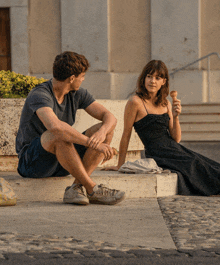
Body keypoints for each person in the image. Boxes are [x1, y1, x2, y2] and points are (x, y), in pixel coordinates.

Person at [16, 51, 125, 205]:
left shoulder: (77, 94)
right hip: (33, 163)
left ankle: (76, 188)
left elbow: (110, 117)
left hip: (63, 160)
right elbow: (55, 127)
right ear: (72, 78)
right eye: (82, 76)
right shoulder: (40, 94)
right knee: (58, 134)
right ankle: (92, 189)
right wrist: (93, 144)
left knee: (105, 129)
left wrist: (101, 134)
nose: (83, 79)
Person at [104, 60, 220, 196]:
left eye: (157, 78)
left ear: (163, 82)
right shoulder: (135, 102)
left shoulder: (166, 103)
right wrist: (120, 164)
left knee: (203, 161)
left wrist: (176, 117)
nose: (152, 81)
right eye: (149, 76)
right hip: (158, 153)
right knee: (194, 163)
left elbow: (176, 138)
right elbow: (126, 134)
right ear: (143, 79)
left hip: (173, 148)